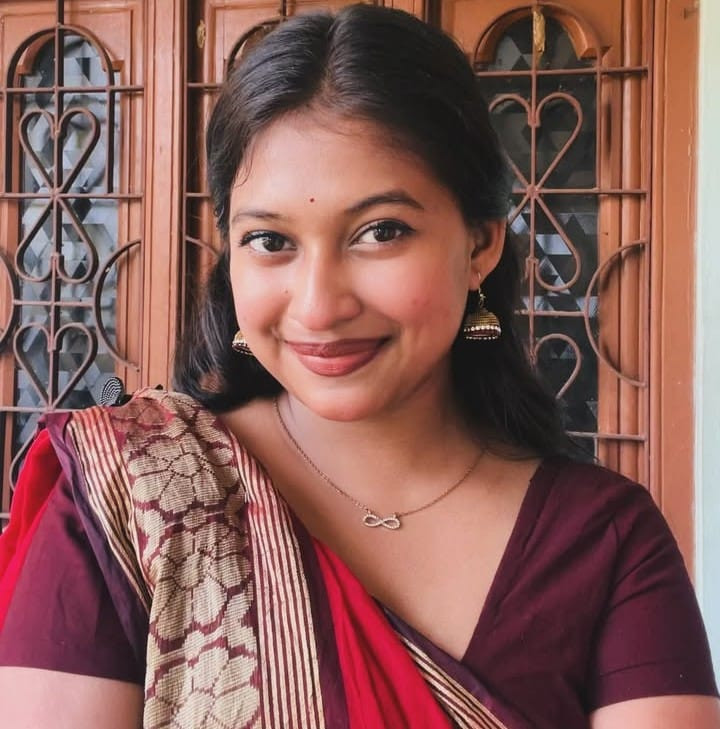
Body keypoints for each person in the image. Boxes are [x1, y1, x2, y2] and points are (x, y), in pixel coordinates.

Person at [0, 4, 717, 728]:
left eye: (381, 231)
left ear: (480, 244)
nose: (319, 306)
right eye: (270, 240)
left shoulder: (604, 541)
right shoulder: (133, 497)